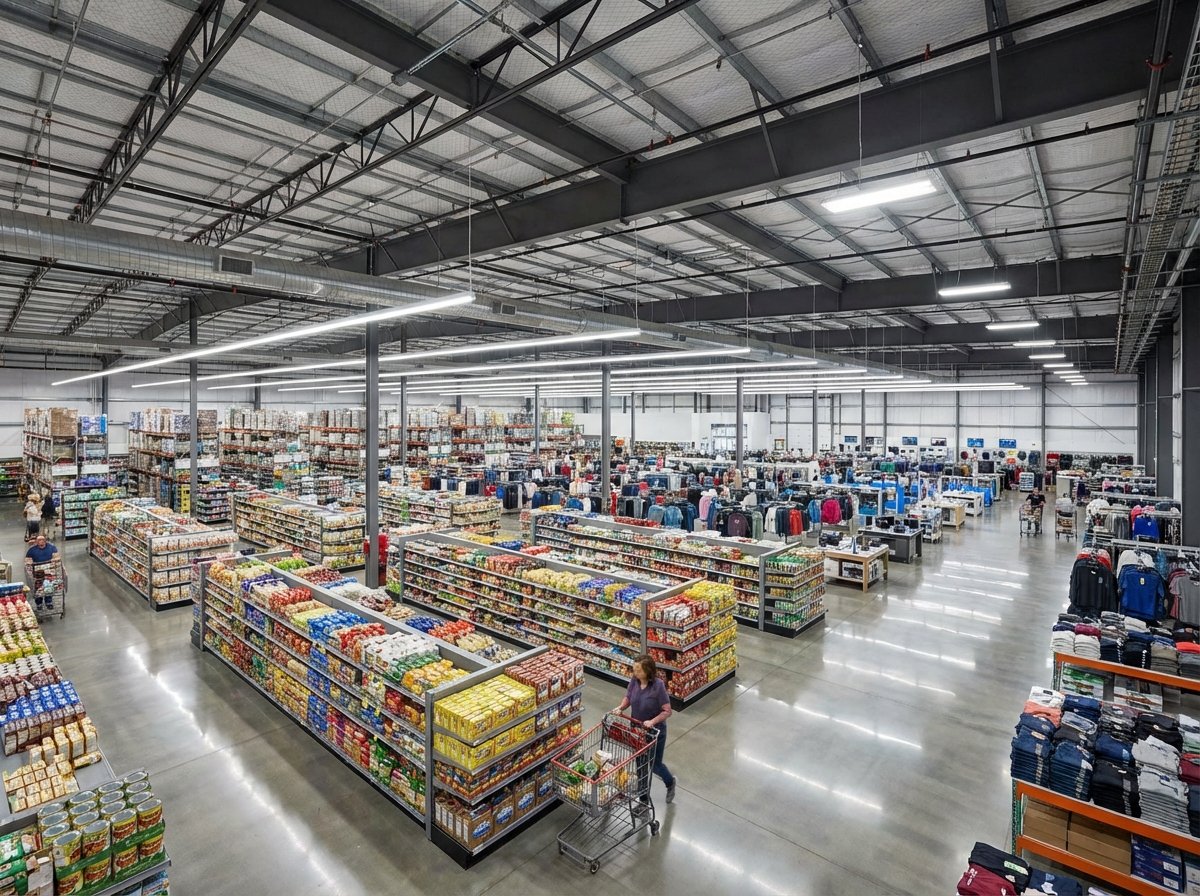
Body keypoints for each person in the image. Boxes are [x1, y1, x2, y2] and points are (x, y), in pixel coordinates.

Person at [614, 654, 677, 806]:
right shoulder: (634, 681)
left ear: (648, 671)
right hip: (637, 732)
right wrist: (621, 707)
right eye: (634, 669)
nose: (635, 673)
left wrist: (652, 721)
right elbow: (628, 697)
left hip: (655, 733)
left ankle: (670, 782)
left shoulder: (658, 686)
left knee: (655, 766)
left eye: (638, 670)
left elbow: (667, 711)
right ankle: (643, 801)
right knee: (640, 765)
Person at [24, 534, 61, 610]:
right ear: (36, 542)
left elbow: (57, 556)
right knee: (38, 587)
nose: (41, 541)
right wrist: (30, 563)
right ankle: (39, 603)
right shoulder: (32, 550)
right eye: (39, 540)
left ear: (45, 540)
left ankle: (48, 602)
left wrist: (54, 560)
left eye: (43, 540)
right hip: (37, 572)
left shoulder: (51, 547)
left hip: (49, 570)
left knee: (49, 586)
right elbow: (27, 560)